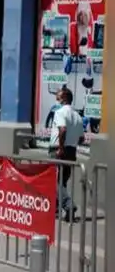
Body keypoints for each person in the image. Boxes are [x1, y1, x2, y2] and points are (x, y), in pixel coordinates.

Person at [50, 87, 83, 222]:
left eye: (57, 97)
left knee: (54, 180)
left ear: (63, 99)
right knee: (62, 181)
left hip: (58, 149)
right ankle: (56, 209)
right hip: (72, 151)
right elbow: (82, 138)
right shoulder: (77, 116)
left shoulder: (60, 112)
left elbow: (62, 129)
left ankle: (69, 205)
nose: (56, 100)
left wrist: (61, 148)